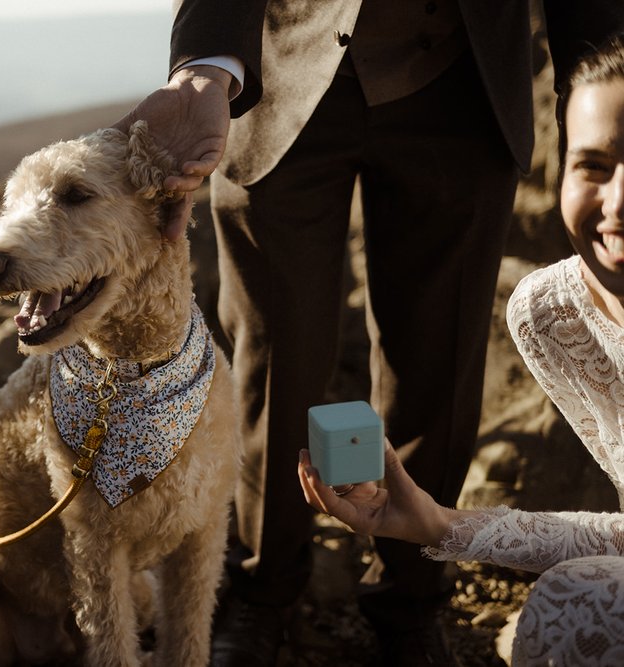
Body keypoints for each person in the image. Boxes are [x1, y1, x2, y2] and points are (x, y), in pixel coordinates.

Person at [115, 2, 624, 665]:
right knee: (275, 357)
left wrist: (601, 97)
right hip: (281, 74)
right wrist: (204, 69)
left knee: (439, 360)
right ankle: (261, 589)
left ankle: (411, 595)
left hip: (466, 78)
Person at [300, 33, 624, 666]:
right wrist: (436, 524)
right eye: (594, 165)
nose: (618, 205)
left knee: (573, 607)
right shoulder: (559, 314)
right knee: (576, 599)